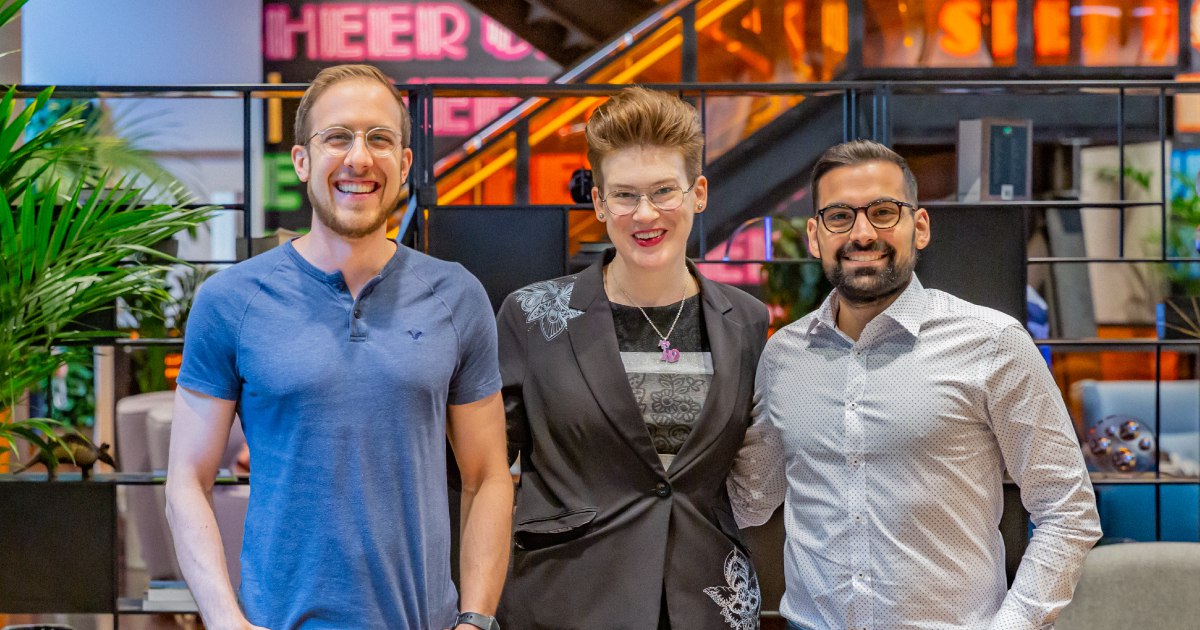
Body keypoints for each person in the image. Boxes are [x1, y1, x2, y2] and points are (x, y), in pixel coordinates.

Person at [166, 64, 512, 630]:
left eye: (380, 139)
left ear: (405, 164)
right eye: (337, 137)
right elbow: (186, 479)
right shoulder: (231, 301)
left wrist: (475, 620)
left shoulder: (456, 296)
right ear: (302, 161)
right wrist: (225, 619)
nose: (359, 158)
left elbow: (487, 475)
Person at [730, 139, 1102, 629]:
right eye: (839, 216)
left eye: (884, 212)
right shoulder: (783, 357)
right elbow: (752, 497)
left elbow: (1068, 509)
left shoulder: (993, 343)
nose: (863, 233)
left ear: (919, 227)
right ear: (815, 237)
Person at [495, 86, 770, 629]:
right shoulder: (532, 316)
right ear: (599, 203)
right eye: (624, 196)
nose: (645, 214)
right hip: (566, 605)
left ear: (698, 193)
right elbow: (484, 474)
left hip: (707, 605)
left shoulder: (747, 321)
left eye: (664, 191)